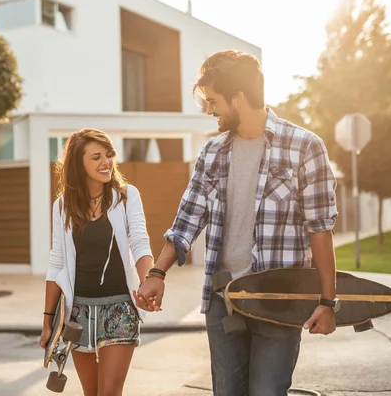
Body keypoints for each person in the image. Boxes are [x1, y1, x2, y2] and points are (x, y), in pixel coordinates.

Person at [135, 50, 339, 396]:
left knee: (267, 392)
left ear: (240, 98)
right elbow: (186, 222)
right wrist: (157, 273)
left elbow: (320, 230)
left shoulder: (304, 147)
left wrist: (328, 302)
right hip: (223, 299)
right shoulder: (212, 153)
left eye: (213, 101)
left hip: (279, 299)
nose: (210, 110)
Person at [39, 128, 154, 396]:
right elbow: (57, 262)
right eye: (96, 157)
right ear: (79, 164)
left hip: (120, 308)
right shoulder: (62, 206)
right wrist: (47, 320)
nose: (106, 162)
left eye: (109, 155)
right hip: (77, 314)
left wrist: (149, 281)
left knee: (109, 393)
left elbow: (139, 241)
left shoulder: (126, 197)